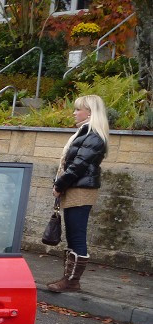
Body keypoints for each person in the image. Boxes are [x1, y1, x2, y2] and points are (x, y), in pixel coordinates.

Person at [47, 95, 109, 293]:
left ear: (89, 112)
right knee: (73, 235)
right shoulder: (86, 133)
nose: (74, 112)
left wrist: (59, 185)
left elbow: (77, 166)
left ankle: (72, 282)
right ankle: (69, 279)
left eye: (77, 109)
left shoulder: (94, 136)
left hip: (80, 190)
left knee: (77, 235)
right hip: (75, 188)